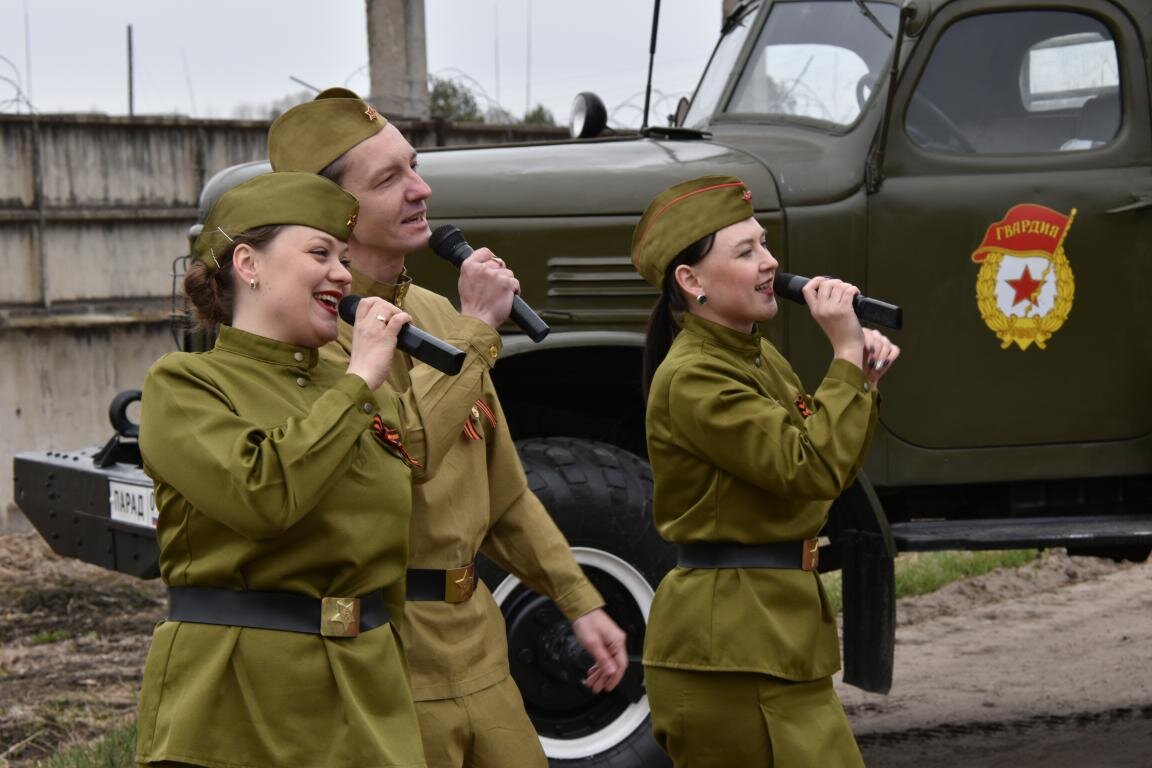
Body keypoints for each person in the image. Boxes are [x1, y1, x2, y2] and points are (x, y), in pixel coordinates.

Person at [266, 89, 628, 768]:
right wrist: (475, 332)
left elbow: (506, 495)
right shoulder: (311, 339)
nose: (420, 189)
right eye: (389, 179)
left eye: (414, 166)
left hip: (479, 647)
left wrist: (579, 599)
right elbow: (405, 454)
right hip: (384, 653)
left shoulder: (440, 313)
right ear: (331, 212)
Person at [134, 171, 426, 768]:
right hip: (239, 698)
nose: (343, 275)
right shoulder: (187, 383)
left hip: (370, 689)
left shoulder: (353, 387)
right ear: (248, 263)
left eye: (344, 258)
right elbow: (263, 496)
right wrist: (359, 381)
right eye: (319, 253)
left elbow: (385, 544)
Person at [632, 175, 900, 767]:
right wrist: (846, 357)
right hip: (729, 649)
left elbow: (827, 478)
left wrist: (862, 382)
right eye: (746, 250)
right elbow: (807, 468)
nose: (770, 262)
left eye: (765, 244)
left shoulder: (754, 355)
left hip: (770, 633)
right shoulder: (695, 376)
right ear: (691, 280)